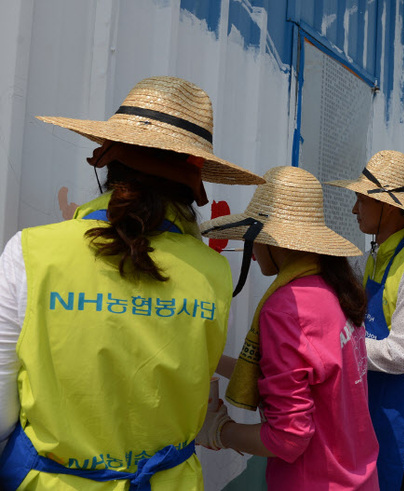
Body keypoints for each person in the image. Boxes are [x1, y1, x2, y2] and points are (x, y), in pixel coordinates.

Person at [0, 76, 263, 489]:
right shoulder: (212, 272)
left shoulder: (31, 251)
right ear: (194, 180)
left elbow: (0, 411)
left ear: (107, 158)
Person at [198, 166, 379, 491]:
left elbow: (287, 438)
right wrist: (210, 362)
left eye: (255, 239)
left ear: (274, 241)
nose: (252, 252)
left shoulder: (286, 308)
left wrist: (218, 429)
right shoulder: (333, 290)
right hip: (359, 477)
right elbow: (300, 375)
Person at [326, 150, 404, 491]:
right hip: (370, 393)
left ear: (389, 206)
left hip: (402, 404)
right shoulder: (375, 257)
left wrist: (332, 346)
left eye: (361, 201)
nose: (353, 210)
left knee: (390, 481)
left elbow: (402, 355)